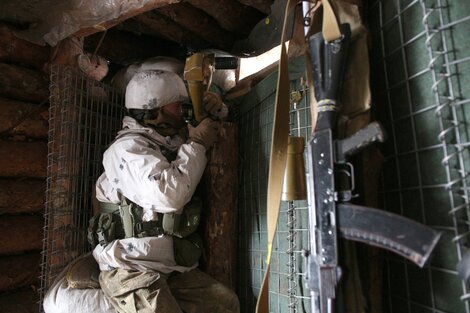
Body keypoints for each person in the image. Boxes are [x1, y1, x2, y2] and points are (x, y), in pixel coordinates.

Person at [88, 69, 239, 313]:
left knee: (225, 304)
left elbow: (209, 134)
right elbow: (170, 195)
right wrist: (197, 144)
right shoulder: (127, 149)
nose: (184, 112)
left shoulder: (167, 142)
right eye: (177, 107)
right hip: (130, 268)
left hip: (169, 267)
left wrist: (218, 110)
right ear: (152, 113)